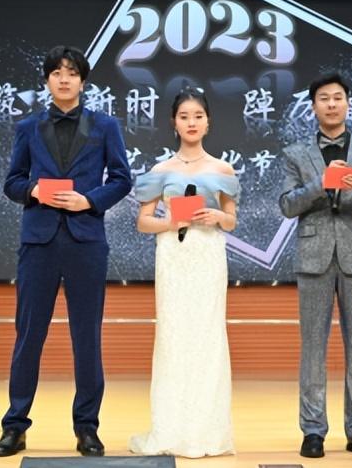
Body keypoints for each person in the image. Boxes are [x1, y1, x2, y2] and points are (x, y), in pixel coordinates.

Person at [0, 46, 132, 457]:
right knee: (28, 335)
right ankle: (14, 426)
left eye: (71, 72)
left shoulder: (105, 125)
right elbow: (12, 182)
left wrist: (89, 200)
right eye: (56, 72)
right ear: (47, 80)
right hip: (38, 242)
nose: (64, 79)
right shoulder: (28, 127)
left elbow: (121, 178)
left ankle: (87, 427)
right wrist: (34, 191)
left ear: (83, 81)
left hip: (86, 242)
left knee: (86, 337)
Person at [279, 73, 352, 459]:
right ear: (313, 106)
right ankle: (313, 429)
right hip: (313, 256)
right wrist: (320, 184)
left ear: (348, 103)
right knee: (312, 346)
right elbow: (286, 205)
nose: (331, 104)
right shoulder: (295, 154)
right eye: (324, 98)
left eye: (338, 97)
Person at [128, 88, 239, 458]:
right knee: (173, 336)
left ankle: (207, 432)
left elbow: (232, 220)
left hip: (208, 254)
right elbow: (143, 222)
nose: (192, 123)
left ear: (208, 122)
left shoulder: (223, 169)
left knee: (208, 336)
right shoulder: (160, 171)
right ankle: (171, 429)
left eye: (198, 116)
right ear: (174, 123)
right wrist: (170, 221)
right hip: (173, 255)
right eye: (184, 116)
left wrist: (217, 215)